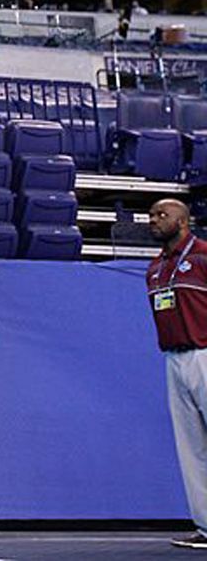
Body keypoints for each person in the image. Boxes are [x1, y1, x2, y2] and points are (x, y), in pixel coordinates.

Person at [146, 198, 207, 551]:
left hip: (204, 354)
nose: (153, 220)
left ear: (183, 221)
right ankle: (204, 525)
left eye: (161, 215)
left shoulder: (202, 256)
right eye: (152, 215)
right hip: (174, 359)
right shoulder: (154, 268)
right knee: (192, 449)